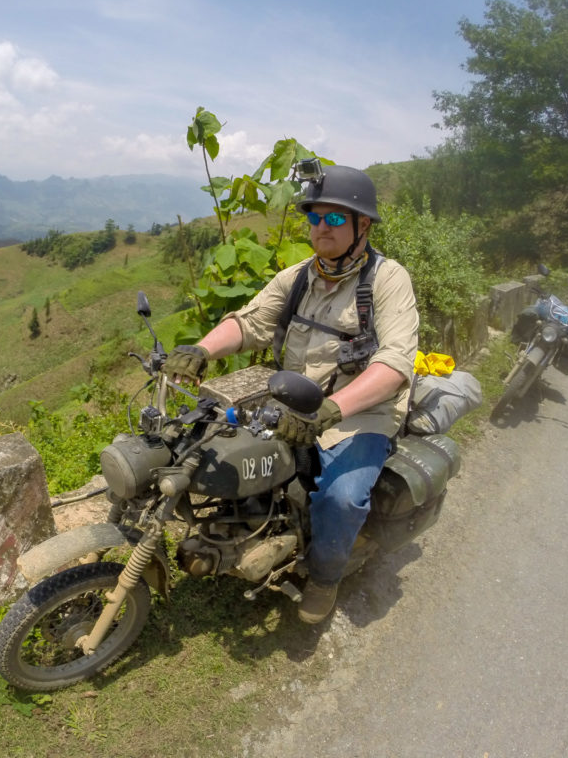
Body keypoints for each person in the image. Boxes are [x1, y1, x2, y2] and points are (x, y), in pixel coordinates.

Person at [163, 164, 419, 624]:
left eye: (337, 218)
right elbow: (249, 323)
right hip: (291, 399)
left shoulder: (386, 279)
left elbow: (396, 363)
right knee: (215, 446)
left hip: (361, 412)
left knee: (340, 498)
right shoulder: (298, 277)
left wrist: (333, 409)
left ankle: (324, 577)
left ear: (363, 225)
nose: (323, 227)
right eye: (316, 217)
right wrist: (200, 349)